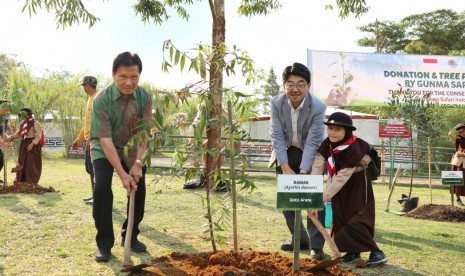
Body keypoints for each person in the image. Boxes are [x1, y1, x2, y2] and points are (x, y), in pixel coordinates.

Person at [90, 52, 152, 262]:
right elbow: (105, 140)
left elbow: (144, 133)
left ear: (139, 75)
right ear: (113, 74)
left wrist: (137, 164)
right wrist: (121, 173)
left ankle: (131, 236)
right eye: (123, 76)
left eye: (133, 77)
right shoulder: (101, 100)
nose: (128, 82)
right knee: (101, 189)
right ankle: (104, 242)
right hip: (103, 148)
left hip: (133, 149)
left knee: (139, 189)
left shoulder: (145, 97)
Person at [308, 112, 388, 266]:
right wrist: (313, 190)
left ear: (347, 131)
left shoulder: (354, 148)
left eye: (337, 129)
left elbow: (342, 176)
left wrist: (322, 197)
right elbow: (318, 163)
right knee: (340, 216)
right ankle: (352, 253)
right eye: (330, 128)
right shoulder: (327, 143)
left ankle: (377, 252)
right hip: (340, 185)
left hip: (357, 184)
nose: (332, 132)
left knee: (356, 217)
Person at [268, 62, 327, 260]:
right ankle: (299, 239)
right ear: (284, 85)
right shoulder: (276, 103)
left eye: (300, 84)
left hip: (309, 154)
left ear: (308, 86)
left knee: (313, 200)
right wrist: (285, 167)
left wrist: (303, 173)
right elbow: (276, 135)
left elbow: (313, 141)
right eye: (290, 84)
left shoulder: (318, 107)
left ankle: (316, 247)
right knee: (288, 200)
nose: (295, 89)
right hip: (285, 152)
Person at [72, 76, 98, 205]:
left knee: (95, 169)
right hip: (89, 138)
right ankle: (94, 194)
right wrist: (79, 139)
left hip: (95, 140)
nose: (83, 88)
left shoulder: (97, 99)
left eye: (84, 86)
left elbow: (97, 122)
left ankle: (98, 197)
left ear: (88, 85)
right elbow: (86, 123)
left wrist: (91, 139)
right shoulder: (90, 99)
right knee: (90, 168)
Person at [7, 108, 43, 185]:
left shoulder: (35, 123)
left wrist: (32, 144)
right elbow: (19, 133)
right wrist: (12, 137)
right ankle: (21, 180)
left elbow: (38, 135)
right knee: (22, 161)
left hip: (33, 144)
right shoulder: (23, 123)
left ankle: (31, 181)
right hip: (24, 143)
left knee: (31, 163)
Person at [448, 123, 465, 206]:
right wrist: (454, 127)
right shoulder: (457, 139)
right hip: (457, 163)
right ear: (460, 132)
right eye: (463, 131)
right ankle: (458, 199)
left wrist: (463, 154)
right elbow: (449, 134)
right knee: (457, 180)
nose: (464, 132)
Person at [0, 100, 10, 183]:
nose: (7, 112)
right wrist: (3, 143)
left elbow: (2, 132)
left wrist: (8, 138)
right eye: (5, 110)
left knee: (0, 159)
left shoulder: (2, 119)